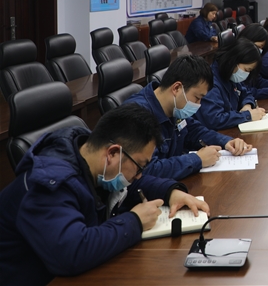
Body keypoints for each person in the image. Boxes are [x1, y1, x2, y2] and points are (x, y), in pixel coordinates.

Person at [0, 104, 209, 285]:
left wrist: (171, 192)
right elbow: (73, 253)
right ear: (112, 153)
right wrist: (135, 221)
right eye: (139, 166)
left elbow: (133, 183)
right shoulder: (49, 184)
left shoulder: (88, 155)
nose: (139, 175)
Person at [126, 55, 253, 180]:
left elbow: (193, 130)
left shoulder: (173, 107)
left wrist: (225, 142)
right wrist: (197, 160)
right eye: (197, 98)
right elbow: (147, 170)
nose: (199, 104)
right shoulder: (137, 117)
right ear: (176, 88)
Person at [194, 39, 266, 130]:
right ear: (233, 61)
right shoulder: (211, 82)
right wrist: (247, 116)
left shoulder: (231, 75)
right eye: (246, 70)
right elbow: (214, 119)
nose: (246, 74)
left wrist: (247, 105)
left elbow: (246, 92)